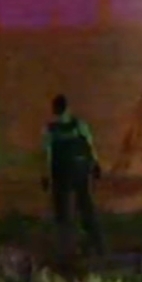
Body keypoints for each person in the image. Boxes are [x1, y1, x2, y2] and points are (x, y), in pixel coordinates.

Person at [41, 94, 106, 256]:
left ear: (54, 110)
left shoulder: (50, 129)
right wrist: (96, 164)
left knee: (63, 212)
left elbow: (47, 155)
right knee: (86, 207)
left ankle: (66, 247)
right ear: (68, 108)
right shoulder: (79, 125)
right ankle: (97, 243)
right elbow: (90, 145)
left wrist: (45, 176)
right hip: (81, 171)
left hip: (61, 174)